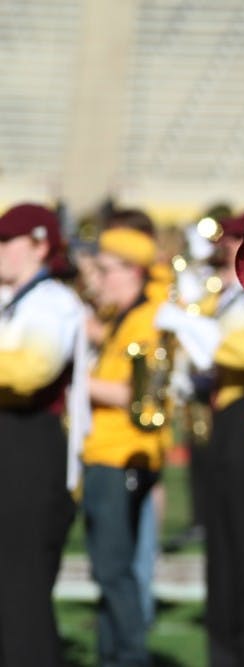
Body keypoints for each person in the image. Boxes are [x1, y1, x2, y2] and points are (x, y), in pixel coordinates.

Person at [155, 210, 244, 666]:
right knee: (224, 549)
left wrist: (187, 324)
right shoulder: (233, 297)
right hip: (222, 421)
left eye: (237, 241)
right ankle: (226, 651)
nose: (227, 250)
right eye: (230, 241)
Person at [0, 203, 82, 666]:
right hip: (12, 445)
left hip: (31, 449)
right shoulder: (15, 298)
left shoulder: (54, 301)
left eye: (7, 240)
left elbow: (33, 369)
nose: (0, 250)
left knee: (22, 593)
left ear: (39, 244)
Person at [82, 226, 165, 666]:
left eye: (107, 270)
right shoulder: (124, 316)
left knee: (115, 570)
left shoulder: (148, 318)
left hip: (122, 456)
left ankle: (129, 657)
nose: (100, 278)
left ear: (132, 271)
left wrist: (75, 378)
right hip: (105, 454)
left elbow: (135, 394)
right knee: (107, 568)